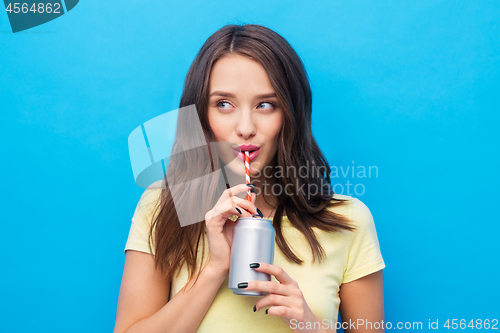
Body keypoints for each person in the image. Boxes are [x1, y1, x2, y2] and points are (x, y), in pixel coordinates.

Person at [114, 24, 385, 333]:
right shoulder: (165, 205)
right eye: (224, 104)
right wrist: (215, 270)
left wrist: (310, 325)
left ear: (291, 113)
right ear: (201, 114)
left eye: (265, 104)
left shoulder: (349, 219)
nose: (245, 127)